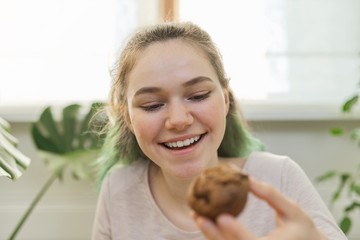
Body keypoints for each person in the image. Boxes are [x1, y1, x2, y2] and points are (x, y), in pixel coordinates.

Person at [91, 21, 347, 240]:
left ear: (225, 100)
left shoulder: (279, 177)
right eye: (153, 105)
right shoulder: (118, 189)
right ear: (127, 117)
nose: (178, 120)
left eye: (198, 95)